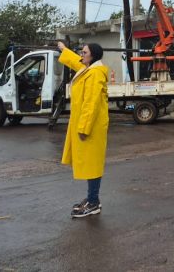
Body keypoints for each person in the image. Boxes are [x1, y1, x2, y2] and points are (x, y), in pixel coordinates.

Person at [57, 41, 109, 218]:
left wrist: (84, 128)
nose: (81, 54)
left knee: (92, 164)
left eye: (84, 52)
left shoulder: (95, 74)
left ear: (92, 56)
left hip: (91, 127)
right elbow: (75, 61)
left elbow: (91, 103)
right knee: (89, 163)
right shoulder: (88, 69)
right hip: (88, 125)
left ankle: (93, 202)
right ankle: (92, 198)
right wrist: (64, 50)